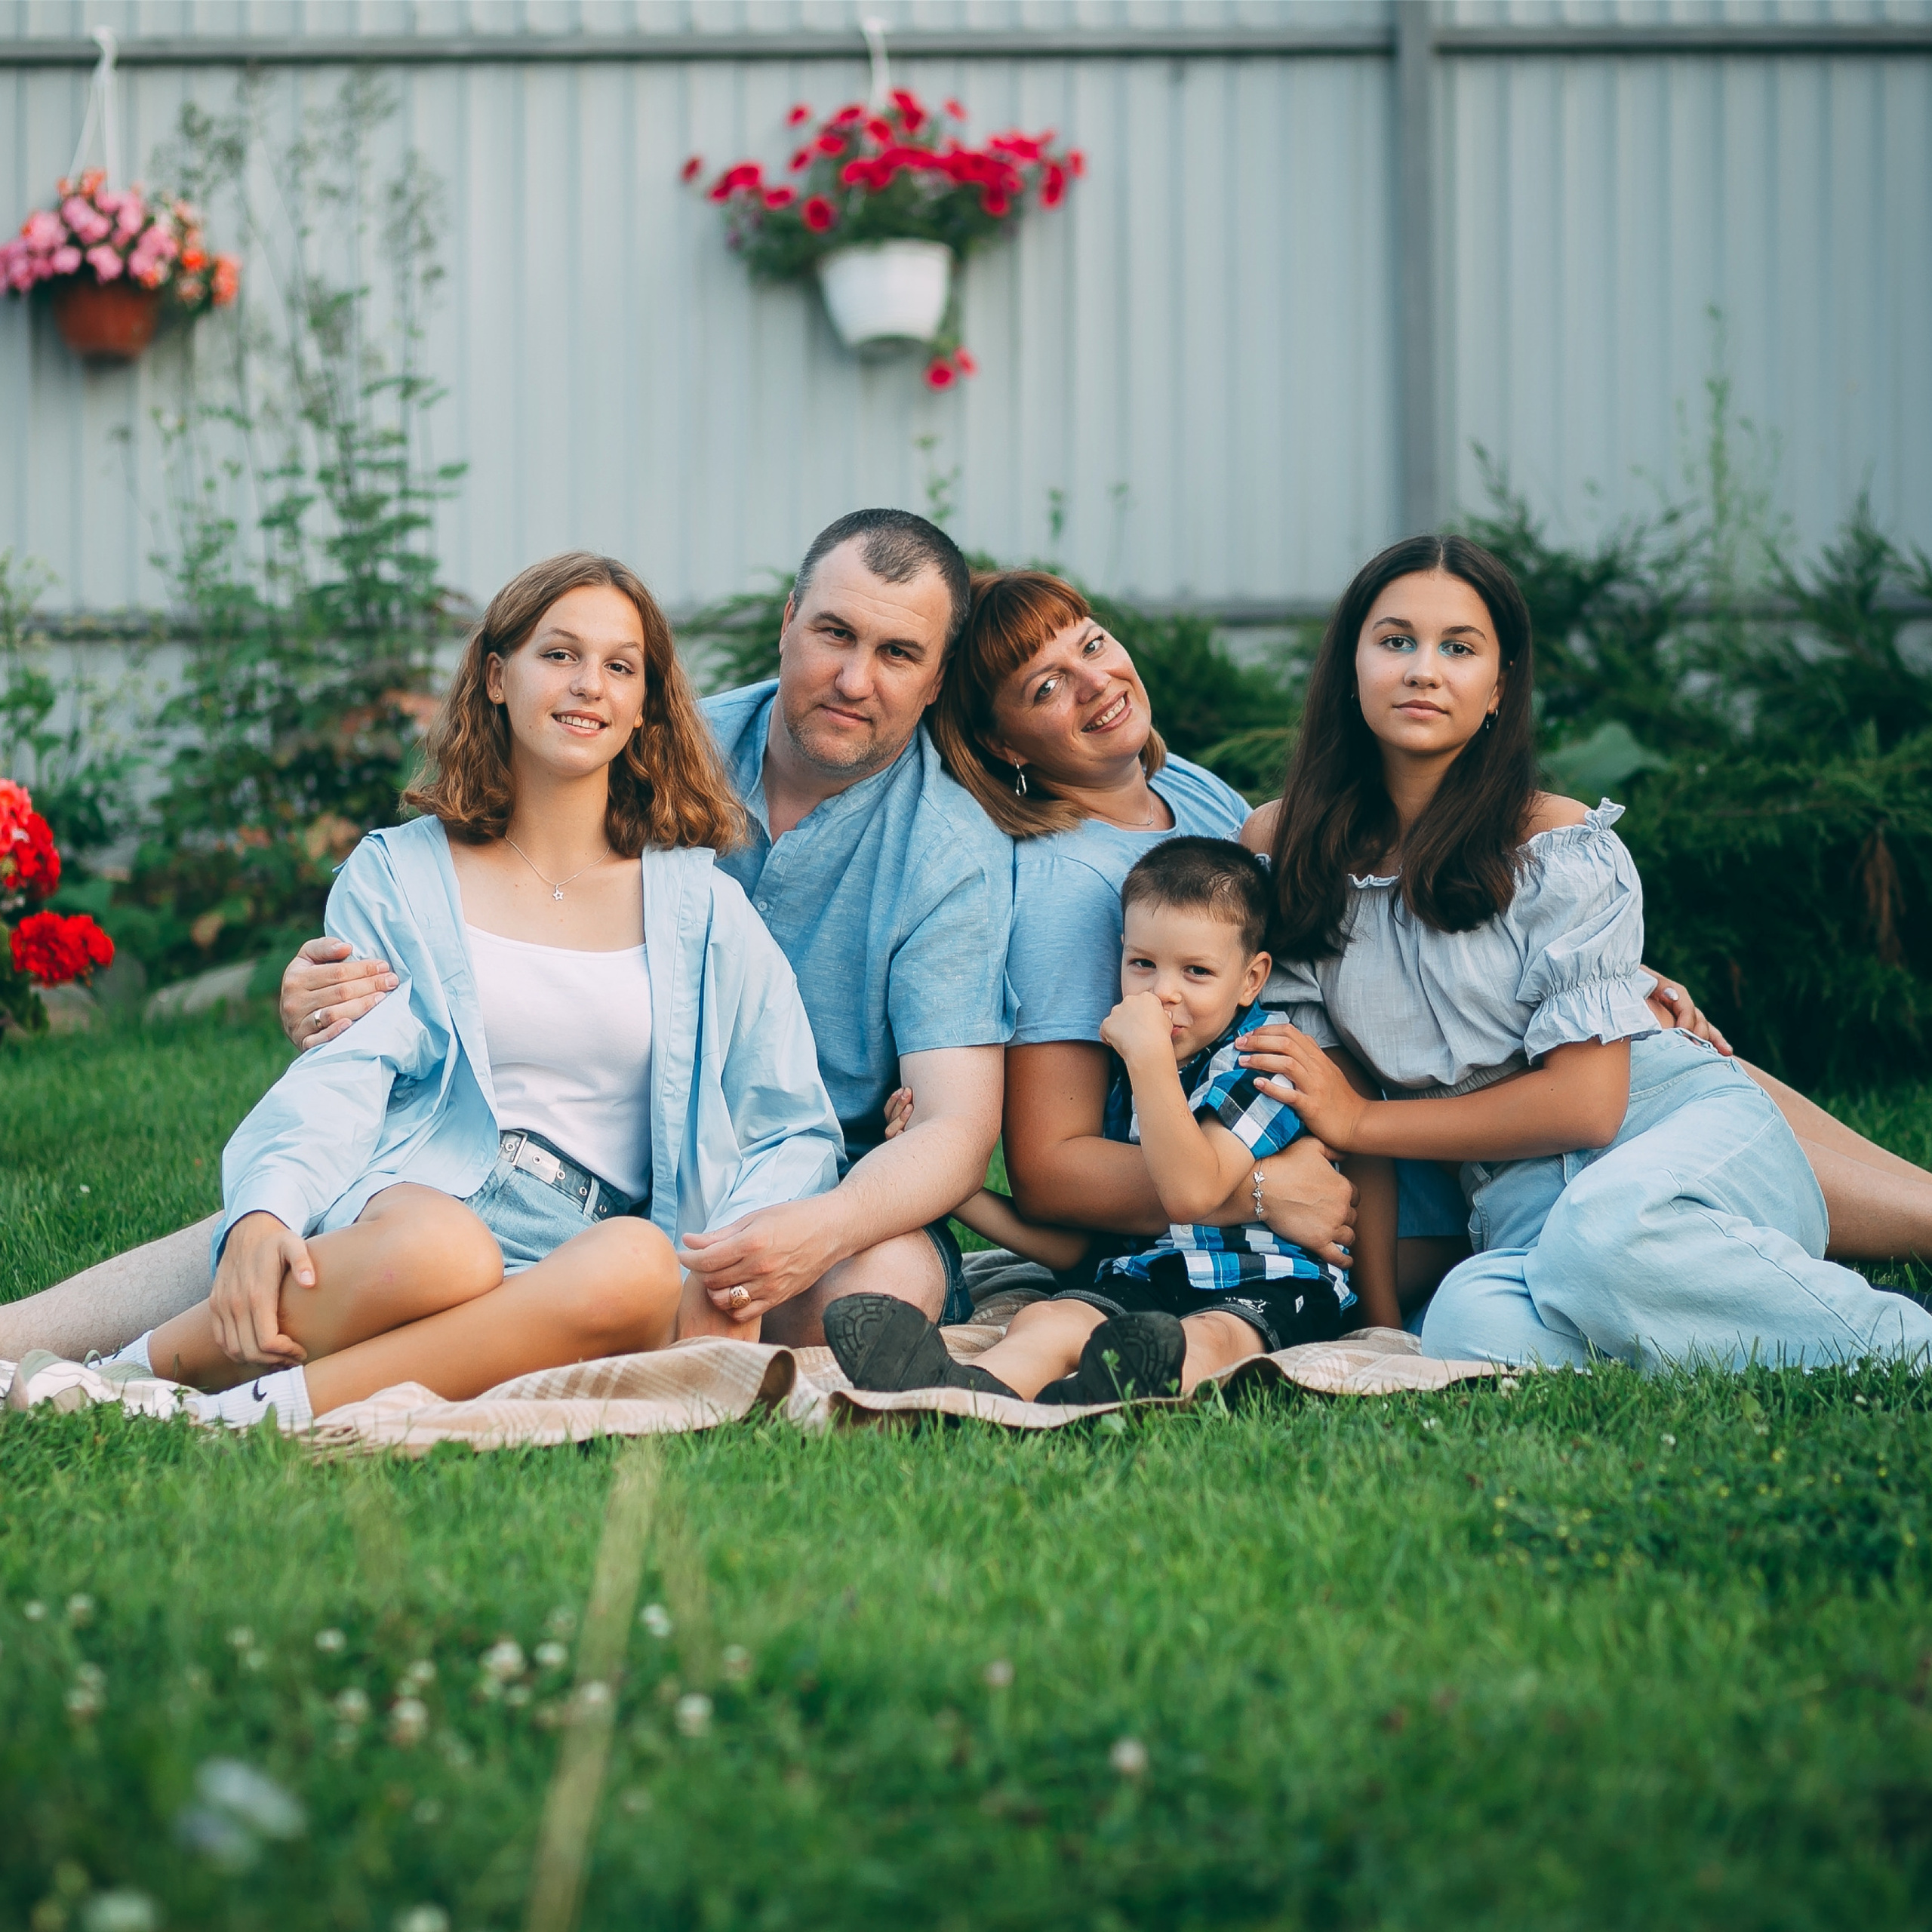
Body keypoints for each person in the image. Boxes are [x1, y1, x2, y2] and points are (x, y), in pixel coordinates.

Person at [3, 510, 1010, 1361]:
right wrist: (324, 1009)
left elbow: (953, 1130)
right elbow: (410, 986)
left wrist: (797, 1231)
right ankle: (39, 1339)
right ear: (788, 623)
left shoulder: (939, 854)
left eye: (897, 653)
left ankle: (264, 1375)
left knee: (875, 1289)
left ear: (935, 676)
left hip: (778, 1182)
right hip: (490, 1143)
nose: (854, 678)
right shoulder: (650, 737)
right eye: (834, 634)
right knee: (319, 1209)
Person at [77, 552, 842, 1427]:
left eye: (619, 667)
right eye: (559, 655)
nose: (589, 684)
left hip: (587, 1244)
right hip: (424, 1191)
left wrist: (735, 1261)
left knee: (638, 1262)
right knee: (448, 1251)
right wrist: (264, 1206)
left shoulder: (702, 908)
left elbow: (792, 1120)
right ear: (495, 677)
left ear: (641, 709)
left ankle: (238, 1410)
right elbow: (349, 1066)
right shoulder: (397, 874)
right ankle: (123, 1373)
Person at [1233, 533, 1932, 1370]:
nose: (1423, 669)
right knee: (1463, 1322)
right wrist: (1378, 1320)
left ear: (1498, 689)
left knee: (1602, 1236)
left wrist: (1362, 1118)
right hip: (1517, 1204)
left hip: (1673, 1130)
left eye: (1459, 647)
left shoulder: (1555, 839)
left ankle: (1900, 1339)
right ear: (1349, 668)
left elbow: (1587, 1107)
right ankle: (1743, 1298)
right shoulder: (1287, 847)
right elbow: (1331, 1092)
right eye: (1395, 641)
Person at [827, 837, 1392, 1404]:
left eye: (1196, 971)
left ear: (1251, 978)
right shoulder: (1130, 1079)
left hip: (1267, 1281)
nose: (1162, 992)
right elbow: (1079, 1251)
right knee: (1050, 1319)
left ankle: (1131, 1382)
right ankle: (961, 1387)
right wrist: (950, 1184)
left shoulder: (1262, 1064)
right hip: (1147, 1277)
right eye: (1142, 964)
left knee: (1214, 1335)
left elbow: (1192, 1190)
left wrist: (1148, 1062)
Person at [924, 569, 1370, 1282]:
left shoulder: (1185, 790)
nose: (1095, 682)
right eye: (1046, 687)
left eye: (1092, 645)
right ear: (1004, 745)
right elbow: (1051, 1168)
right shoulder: (1067, 888)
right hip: (1202, 1244)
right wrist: (1257, 1194)